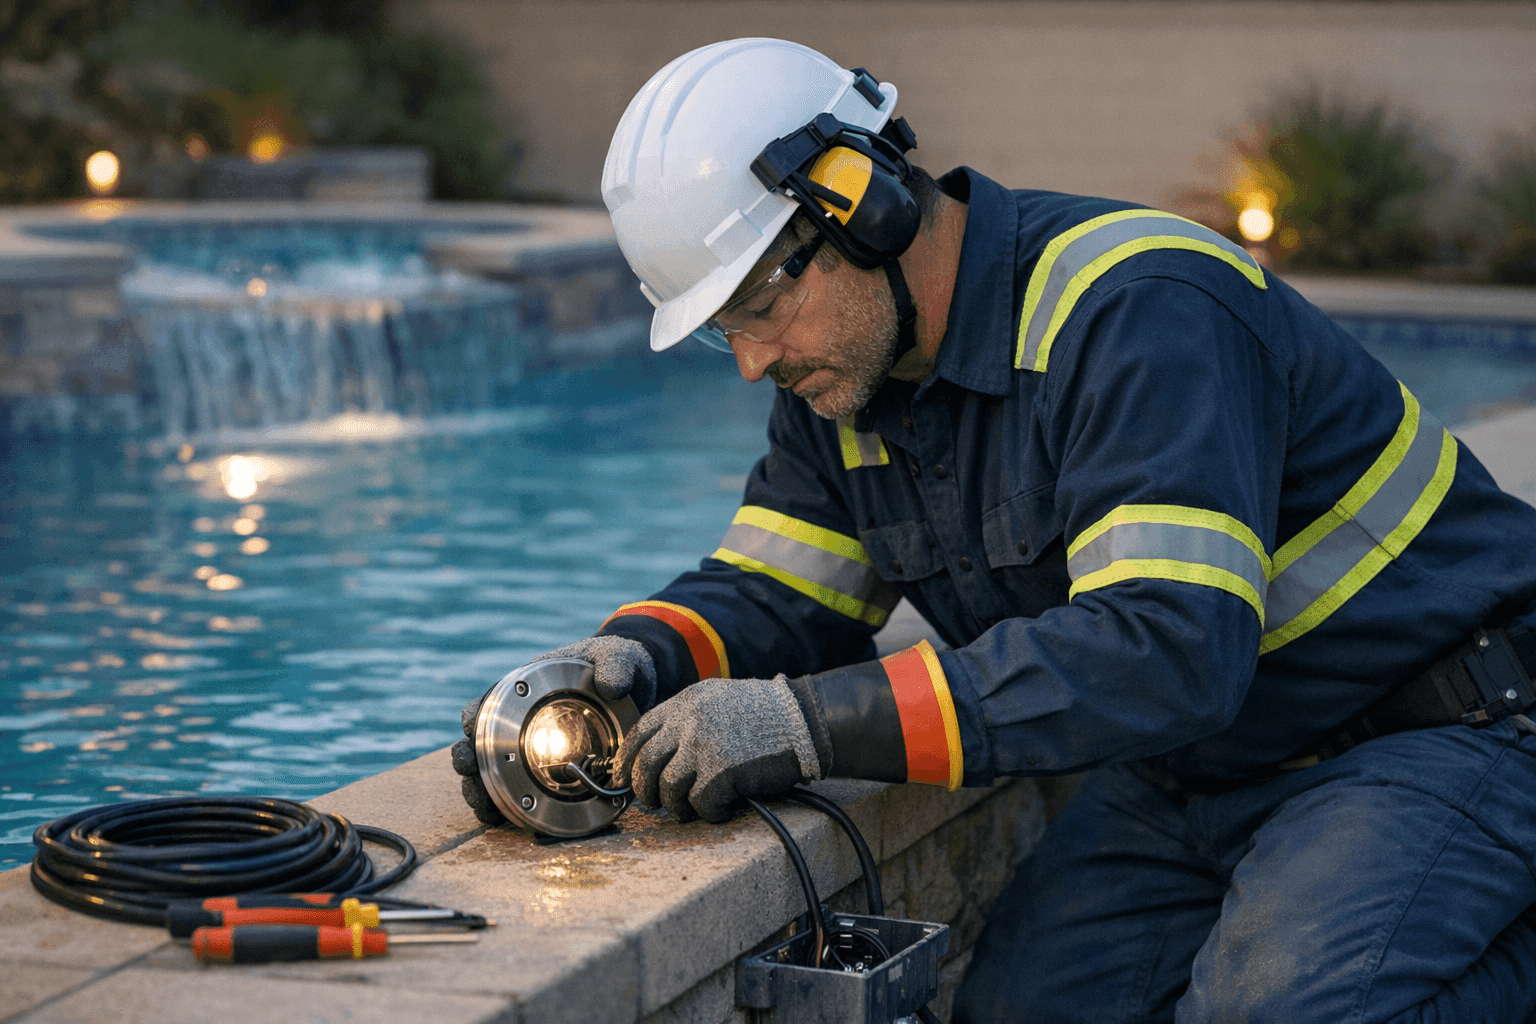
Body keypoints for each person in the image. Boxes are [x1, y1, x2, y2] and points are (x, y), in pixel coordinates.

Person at [452, 38, 1536, 1023]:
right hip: (1201, 773)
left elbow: (1167, 648)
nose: (749, 360)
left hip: (1435, 731)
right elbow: (783, 592)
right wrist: (636, 661)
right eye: (723, 331)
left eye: (757, 306)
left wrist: (807, 722)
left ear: (862, 206)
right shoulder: (844, 384)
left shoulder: (1138, 309)